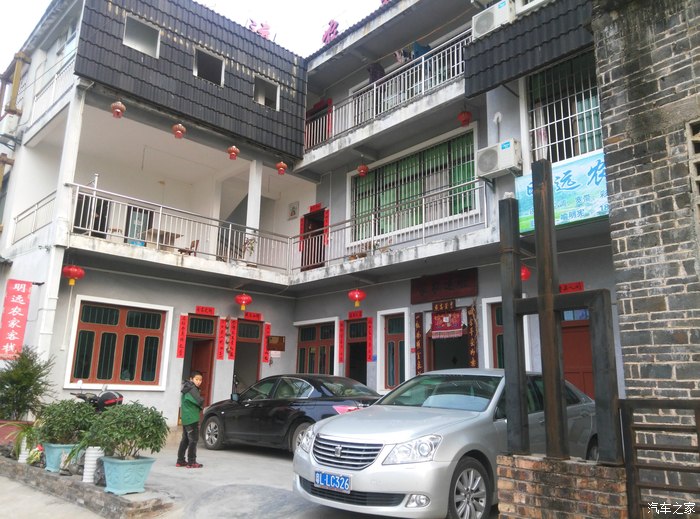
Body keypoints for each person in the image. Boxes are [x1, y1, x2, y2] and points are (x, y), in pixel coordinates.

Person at [176, 370, 204, 468]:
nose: (199, 382)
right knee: (193, 440)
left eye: (200, 380)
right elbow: (199, 401)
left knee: (185, 440)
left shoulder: (186, 387)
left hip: (186, 418)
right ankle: (192, 462)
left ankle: (180, 460)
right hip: (192, 418)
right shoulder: (192, 389)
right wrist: (202, 401)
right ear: (191, 379)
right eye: (197, 379)